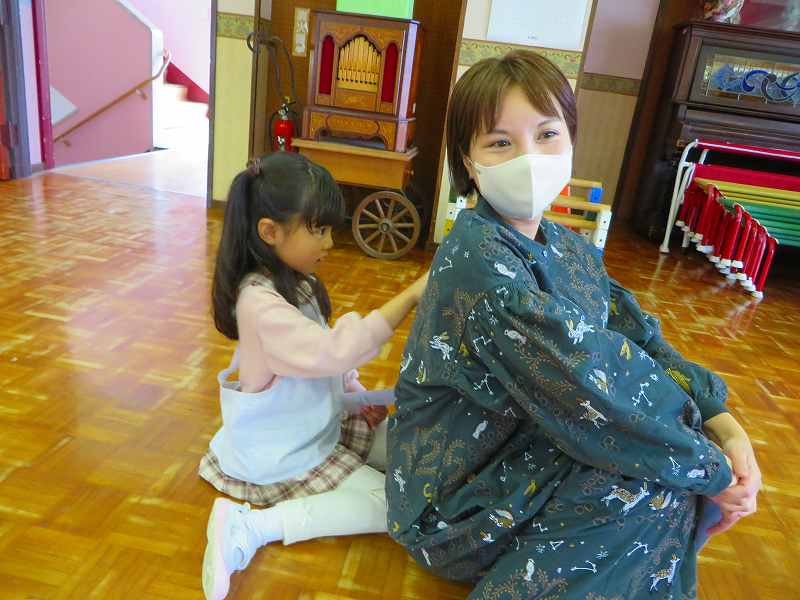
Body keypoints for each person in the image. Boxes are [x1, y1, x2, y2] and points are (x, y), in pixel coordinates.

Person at [385, 50, 760, 599]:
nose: (528, 158)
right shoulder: (480, 264)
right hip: (452, 502)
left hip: (524, 447)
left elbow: (636, 338)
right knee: (651, 479)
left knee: (669, 458)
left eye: (547, 134)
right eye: (500, 143)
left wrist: (719, 419)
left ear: (571, 139)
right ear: (468, 161)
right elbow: (594, 388)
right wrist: (715, 472)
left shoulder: (570, 249)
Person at [200, 152, 428, 600]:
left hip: (314, 426)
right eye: (318, 230)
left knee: (413, 456)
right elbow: (331, 351)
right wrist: (408, 296)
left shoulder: (294, 282)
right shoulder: (258, 302)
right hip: (285, 451)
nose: (329, 242)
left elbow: (322, 359)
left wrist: (356, 394)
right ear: (270, 232)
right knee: (394, 505)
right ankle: (251, 527)